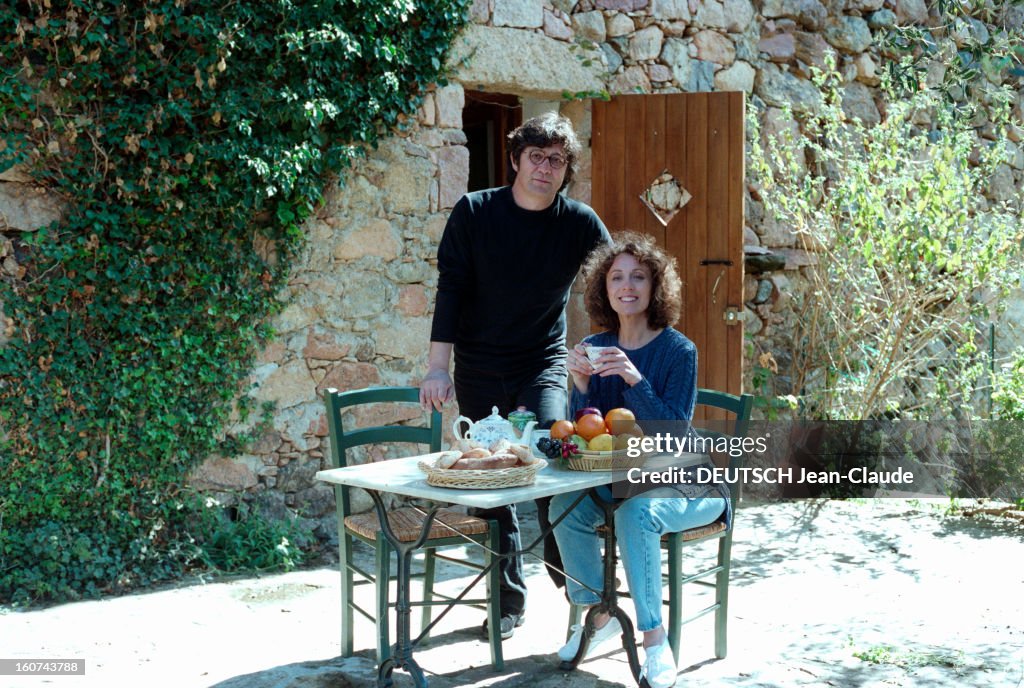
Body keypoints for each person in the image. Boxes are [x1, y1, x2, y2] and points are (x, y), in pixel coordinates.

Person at [419, 112, 611, 639]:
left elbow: (613, 284)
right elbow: (450, 290)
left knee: (553, 459)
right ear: (515, 160)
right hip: (479, 368)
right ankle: (507, 603)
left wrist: (609, 350)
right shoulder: (475, 211)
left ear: (566, 169)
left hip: (541, 364)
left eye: (557, 160)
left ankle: (573, 574)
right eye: (536, 157)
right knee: (492, 484)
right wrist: (437, 367)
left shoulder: (579, 222)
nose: (545, 168)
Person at [550, 231, 731, 688]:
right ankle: (598, 613)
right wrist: (581, 385)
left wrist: (635, 380)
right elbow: (589, 433)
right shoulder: (597, 344)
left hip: (691, 484)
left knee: (637, 515)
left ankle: (654, 641)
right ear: (604, 288)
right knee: (563, 508)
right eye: (616, 277)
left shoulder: (678, 351)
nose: (626, 286)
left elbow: (674, 436)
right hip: (625, 482)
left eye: (638, 277)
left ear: (655, 287)